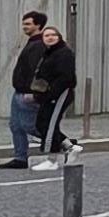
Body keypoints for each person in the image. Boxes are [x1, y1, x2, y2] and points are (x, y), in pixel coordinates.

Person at [2, 11, 48, 171]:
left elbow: (37, 70)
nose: (24, 27)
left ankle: (60, 142)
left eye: (28, 24)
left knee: (29, 126)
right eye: (24, 24)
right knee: (16, 125)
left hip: (28, 93)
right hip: (19, 92)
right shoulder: (32, 42)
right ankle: (20, 157)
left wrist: (34, 93)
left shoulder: (40, 45)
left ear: (38, 25)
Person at [29, 15, 76, 168]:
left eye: (53, 35)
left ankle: (52, 160)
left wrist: (52, 94)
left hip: (59, 94)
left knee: (49, 124)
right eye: (46, 35)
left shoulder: (64, 53)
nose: (49, 38)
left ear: (59, 37)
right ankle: (70, 147)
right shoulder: (48, 53)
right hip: (48, 95)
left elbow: (66, 77)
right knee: (42, 123)